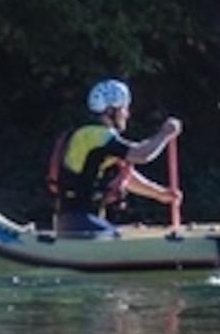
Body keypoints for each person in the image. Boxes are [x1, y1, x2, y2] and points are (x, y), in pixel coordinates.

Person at [49, 80, 183, 237]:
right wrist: (165, 133)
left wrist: (160, 194)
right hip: (81, 222)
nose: (127, 114)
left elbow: (127, 176)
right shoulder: (95, 136)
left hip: (76, 221)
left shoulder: (92, 136)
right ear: (111, 111)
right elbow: (142, 155)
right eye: (125, 108)